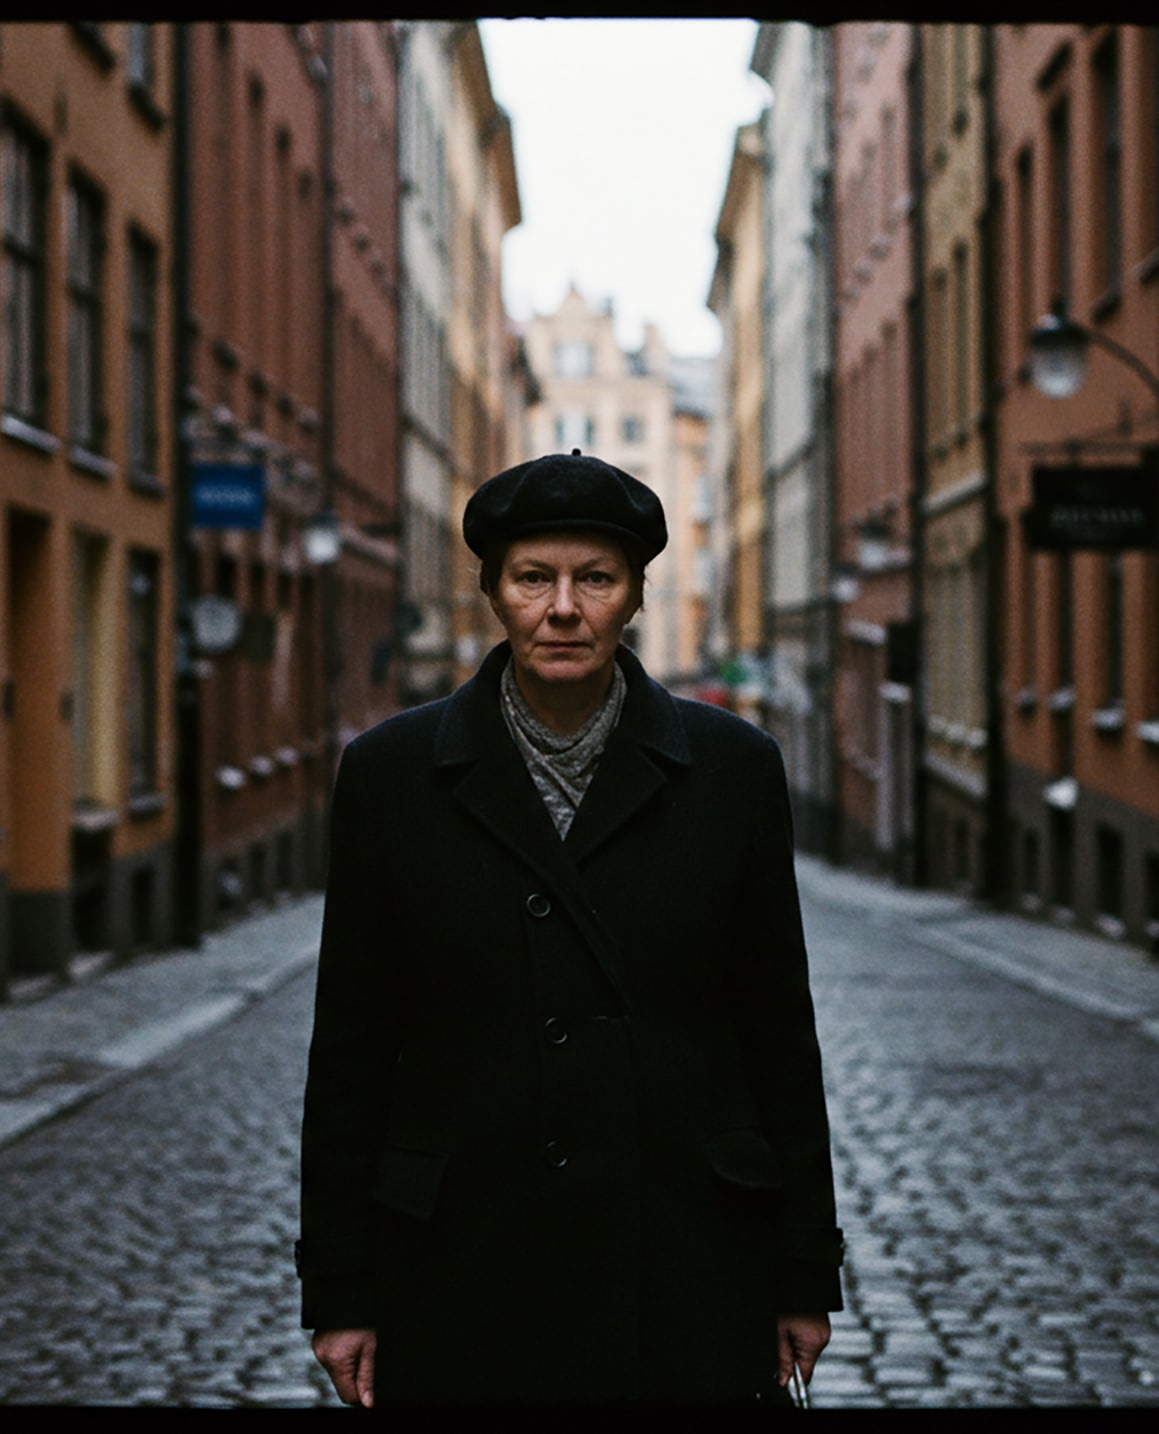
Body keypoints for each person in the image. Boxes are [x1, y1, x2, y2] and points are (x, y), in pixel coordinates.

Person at [296, 450, 842, 1406]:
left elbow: (777, 1034)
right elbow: (352, 1047)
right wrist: (340, 1286)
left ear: (634, 597)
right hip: (461, 1255)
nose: (562, 608)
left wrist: (802, 1269)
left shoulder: (731, 770)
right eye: (532, 579)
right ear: (493, 595)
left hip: (682, 1255)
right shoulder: (393, 775)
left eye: (595, 579)